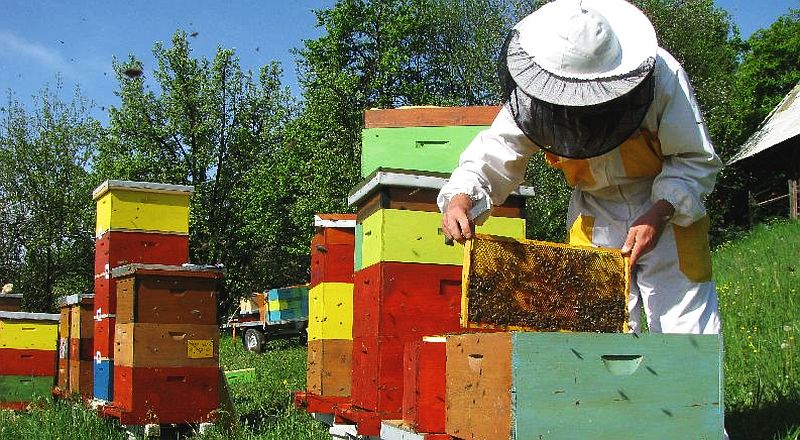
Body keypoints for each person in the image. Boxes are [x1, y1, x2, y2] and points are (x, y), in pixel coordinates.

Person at [438, 0, 723, 336]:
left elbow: (695, 158)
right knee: (597, 341)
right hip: (593, 214)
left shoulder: (661, 76)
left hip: (670, 211)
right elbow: (500, 148)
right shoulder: (536, 90)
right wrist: (462, 197)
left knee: (688, 338)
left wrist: (660, 211)